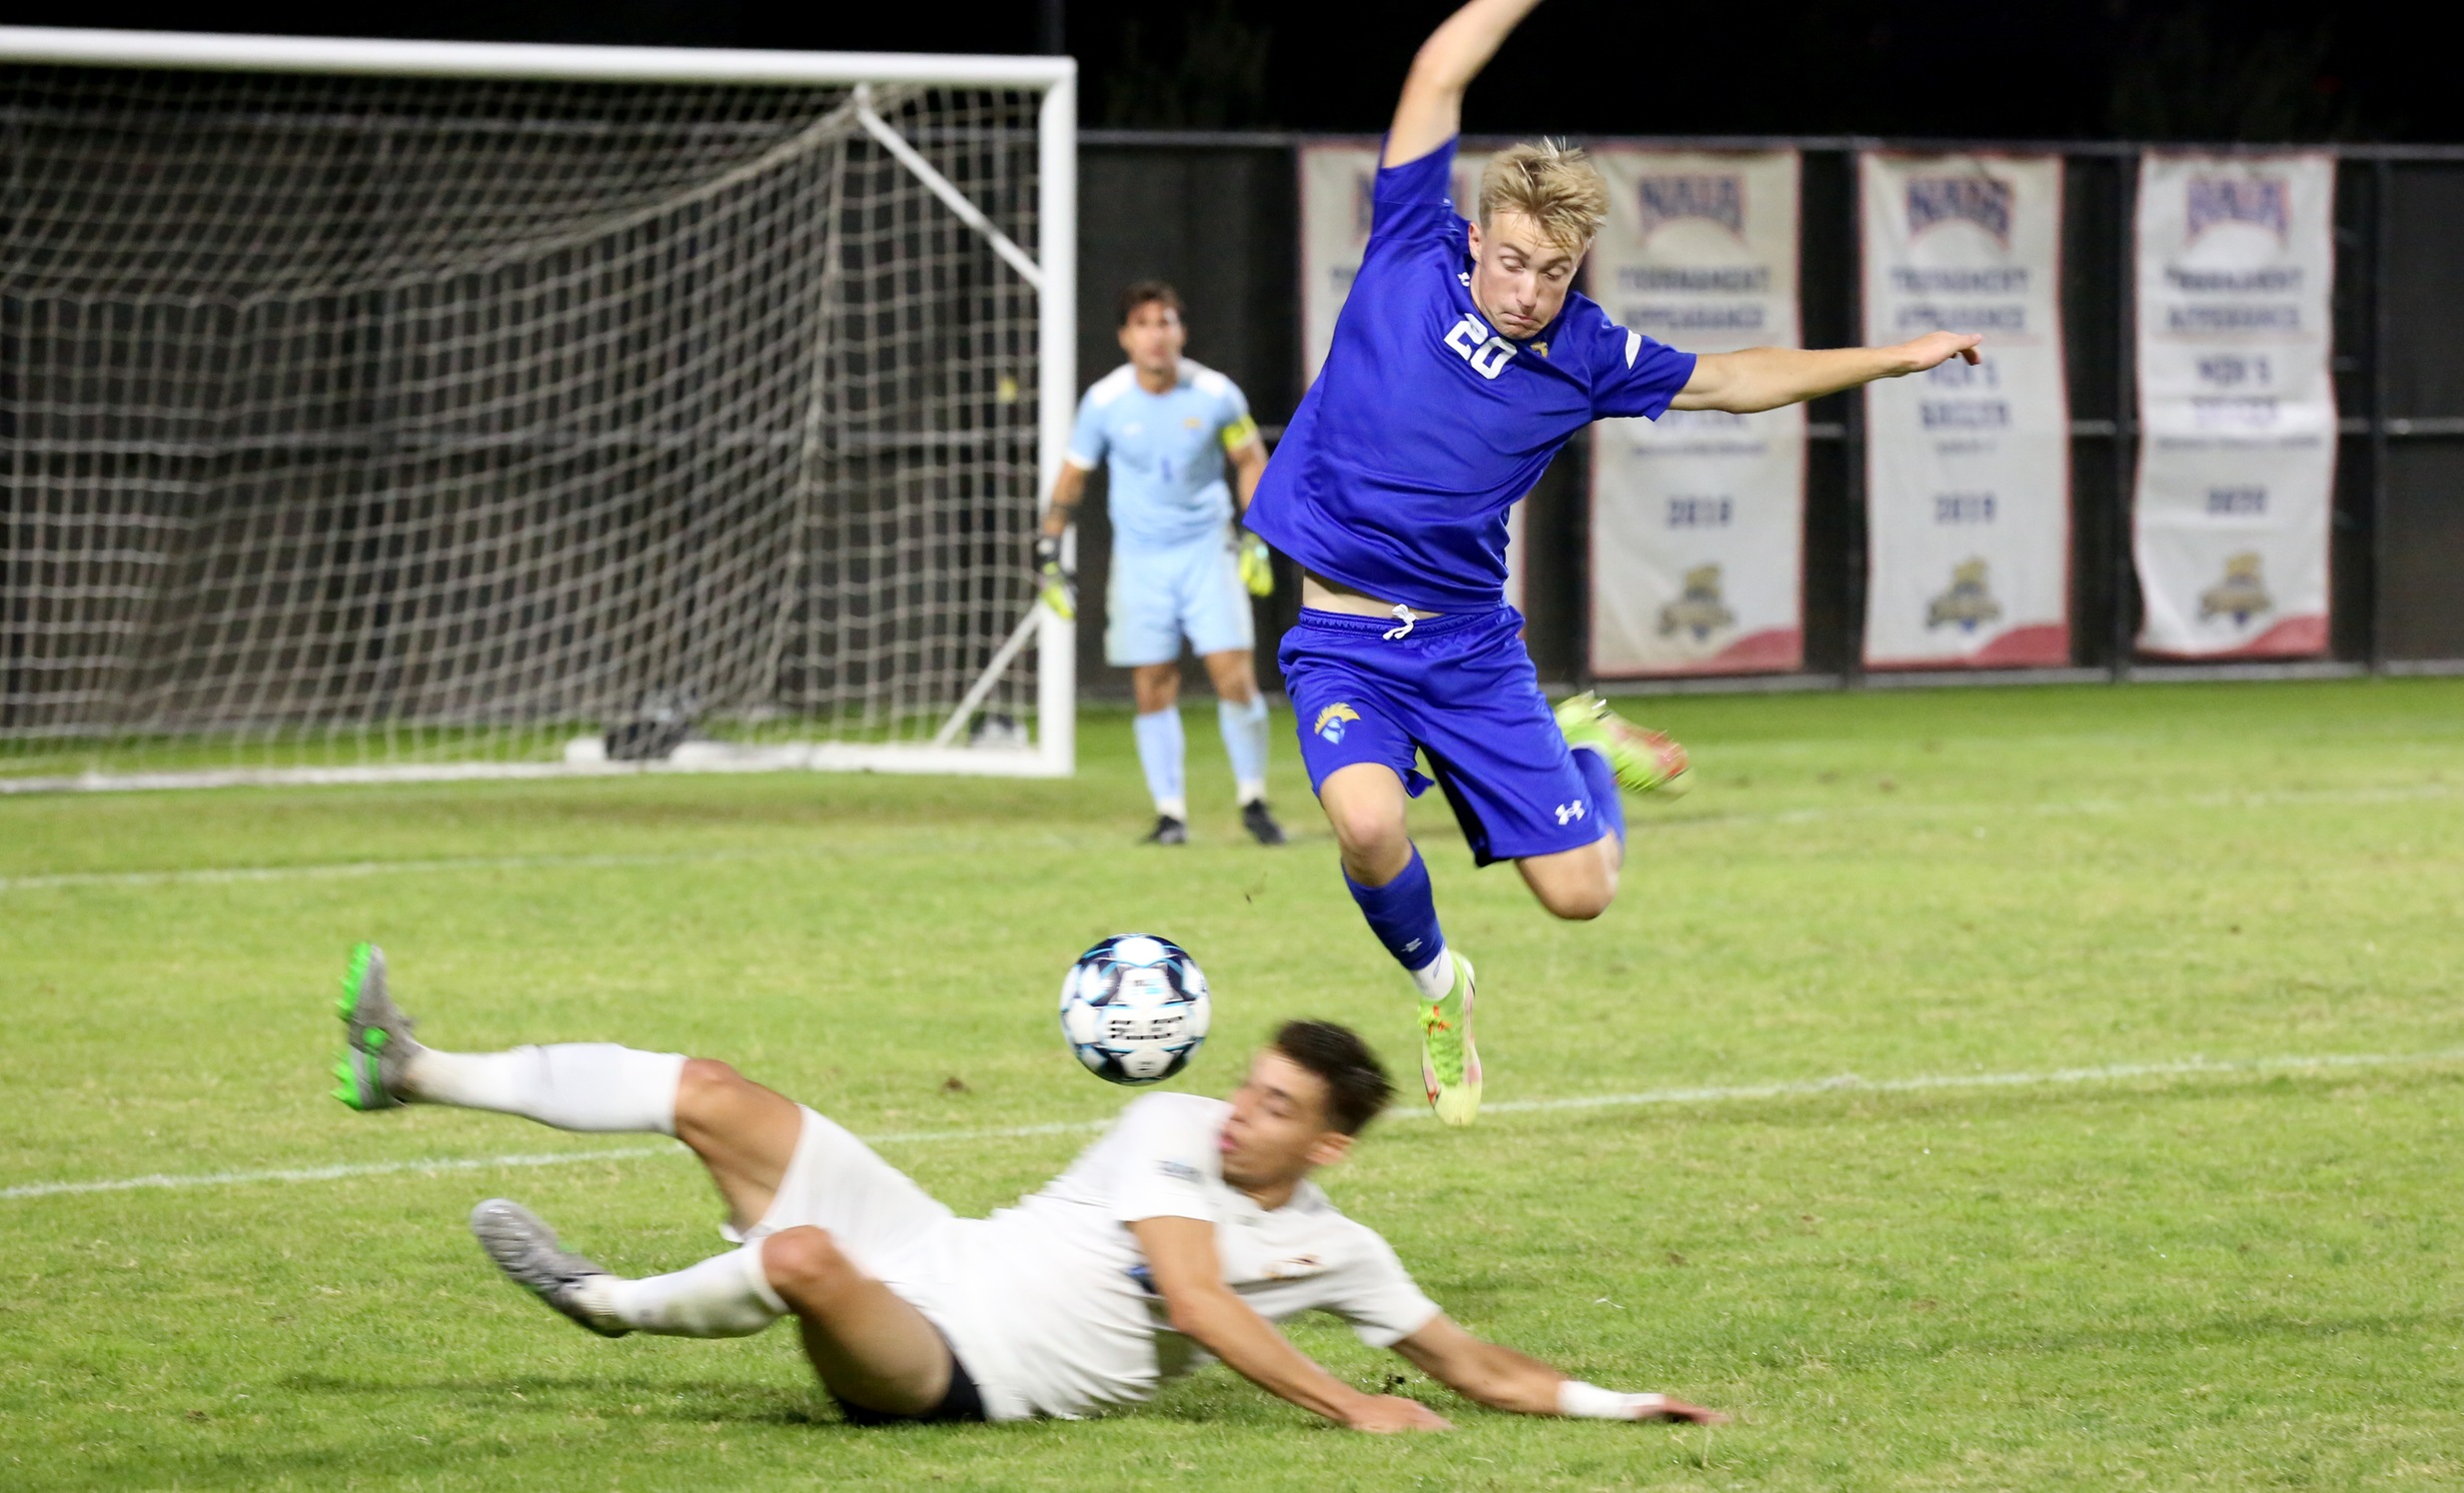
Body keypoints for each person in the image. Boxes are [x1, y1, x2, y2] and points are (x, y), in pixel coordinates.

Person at [1242, 0, 1986, 1126]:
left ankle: (1578, 747)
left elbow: (1738, 379)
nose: (1526, 289)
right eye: (1510, 261)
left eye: (1552, 270)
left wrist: (1894, 359)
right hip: (1344, 639)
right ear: (1478, 234)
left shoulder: (1589, 353)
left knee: (1582, 897)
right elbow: (1441, 66)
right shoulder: (1408, 243)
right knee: (1365, 825)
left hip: (1467, 648)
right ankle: (1443, 990)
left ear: (1579, 263)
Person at [328, 944, 1725, 1430]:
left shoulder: (1341, 1251)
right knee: (710, 1091)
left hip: (954, 1365)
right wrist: (1347, 1398)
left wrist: (1620, 1401)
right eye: (1246, 1085)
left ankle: (607, 1301)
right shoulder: (1176, 1128)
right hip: (931, 1245)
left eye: (1276, 1109)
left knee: (805, 1255)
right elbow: (1187, 1289)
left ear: (1330, 1150)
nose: (1239, 1112)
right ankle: (412, 1067)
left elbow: (1474, 1365)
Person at [1036, 282, 1286, 847]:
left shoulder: (1215, 393)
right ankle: (1170, 813)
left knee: (1234, 675)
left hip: (1207, 552)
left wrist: (1257, 536)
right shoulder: (1104, 402)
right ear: (1126, 336)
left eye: (1167, 322)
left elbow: (1250, 460)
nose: (1157, 334)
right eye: (1145, 323)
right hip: (1141, 561)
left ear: (1182, 332)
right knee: (1152, 683)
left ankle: (1253, 800)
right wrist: (1048, 547)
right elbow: (1073, 476)